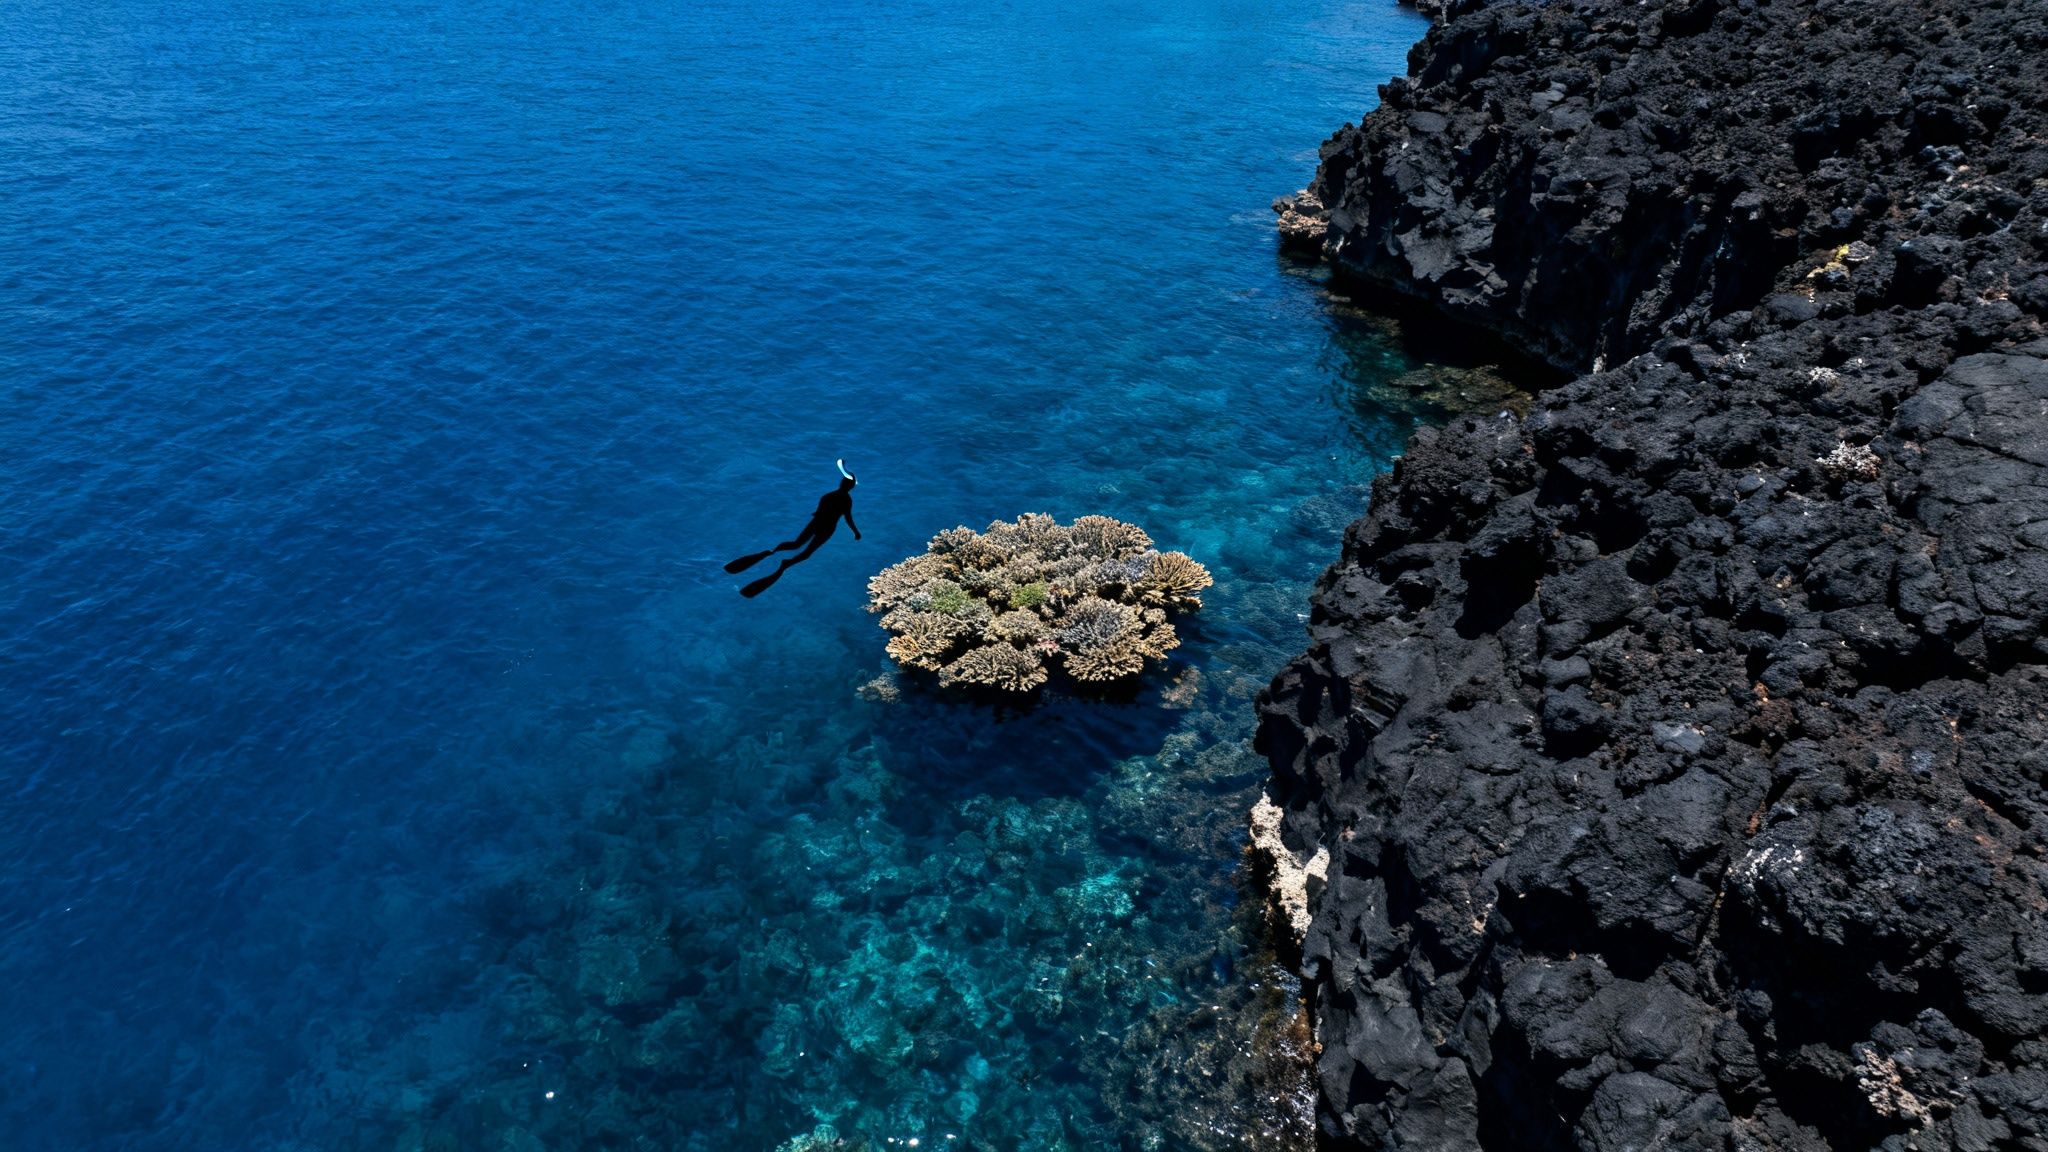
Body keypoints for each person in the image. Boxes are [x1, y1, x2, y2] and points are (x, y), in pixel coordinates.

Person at [726, 460, 860, 597]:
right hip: (827, 528)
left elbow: (819, 512)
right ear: (850, 488)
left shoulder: (828, 496)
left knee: (795, 544)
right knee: (807, 553)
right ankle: (785, 565)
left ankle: (771, 552)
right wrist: (855, 532)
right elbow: (847, 518)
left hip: (815, 523)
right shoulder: (847, 500)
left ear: (841, 484)